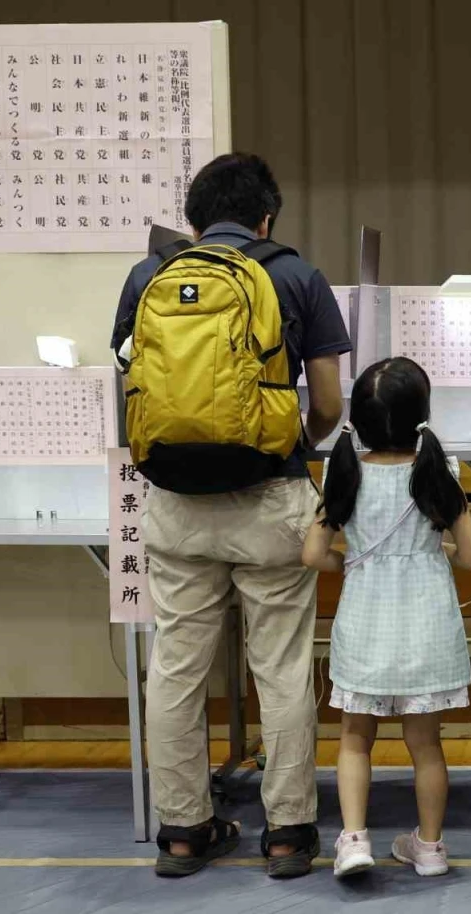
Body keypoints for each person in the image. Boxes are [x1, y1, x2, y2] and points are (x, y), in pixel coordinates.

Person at [110, 153, 349, 878]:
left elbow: (131, 386)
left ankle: (183, 831)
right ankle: (288, 833)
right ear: (267, 216)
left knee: (176, 668)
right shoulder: (297, 276)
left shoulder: (148, 278)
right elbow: (332, 405)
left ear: (193, 219)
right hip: (271, 500)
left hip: (177, 505)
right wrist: (287, 446)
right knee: (278, 669)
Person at [302, 357, 471, 879]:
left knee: (356, 737)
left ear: (357, 418)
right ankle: (429, 848)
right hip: (428, 624)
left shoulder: (343, 469)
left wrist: (355, 561)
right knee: (426, 745)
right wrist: (428, 556)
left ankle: (354, 840)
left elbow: (312, 554)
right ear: (421, 416)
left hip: (364, 620)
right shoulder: (440, 471)